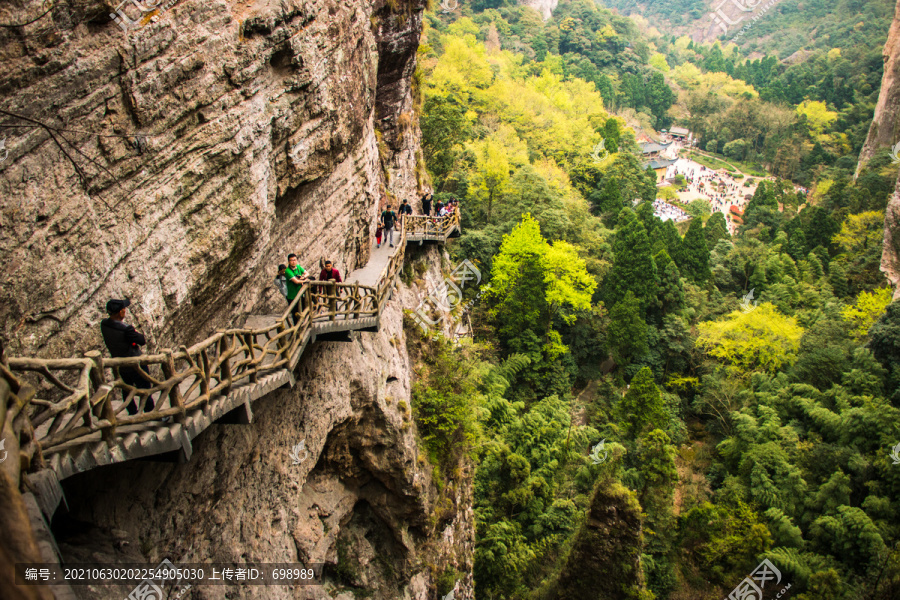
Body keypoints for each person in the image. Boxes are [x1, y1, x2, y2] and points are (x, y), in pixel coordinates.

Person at [101, 298, 155, 416]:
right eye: (124, 309)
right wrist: (134, 332)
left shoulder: (104, 325)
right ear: (121, 312)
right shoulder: (126, 329)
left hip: (120, 364)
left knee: (126, 389)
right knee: (145, 389)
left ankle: (132, 412)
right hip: (135, 364)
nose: (125, 310)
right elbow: (142, 340)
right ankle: (151, 414)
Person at [285, 254, 309, 325]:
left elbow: (307, 273)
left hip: (300, 294)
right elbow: (296, 281)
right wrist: (305, 281)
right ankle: (297, 329)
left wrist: (303, 276)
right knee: (295, 314)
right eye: (291, 260)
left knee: (303, 310)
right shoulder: (288, 271)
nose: (293, 262)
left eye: (294, 260)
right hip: (292, 296)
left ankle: (303, 325)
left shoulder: (298, 267)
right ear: (288, 261)